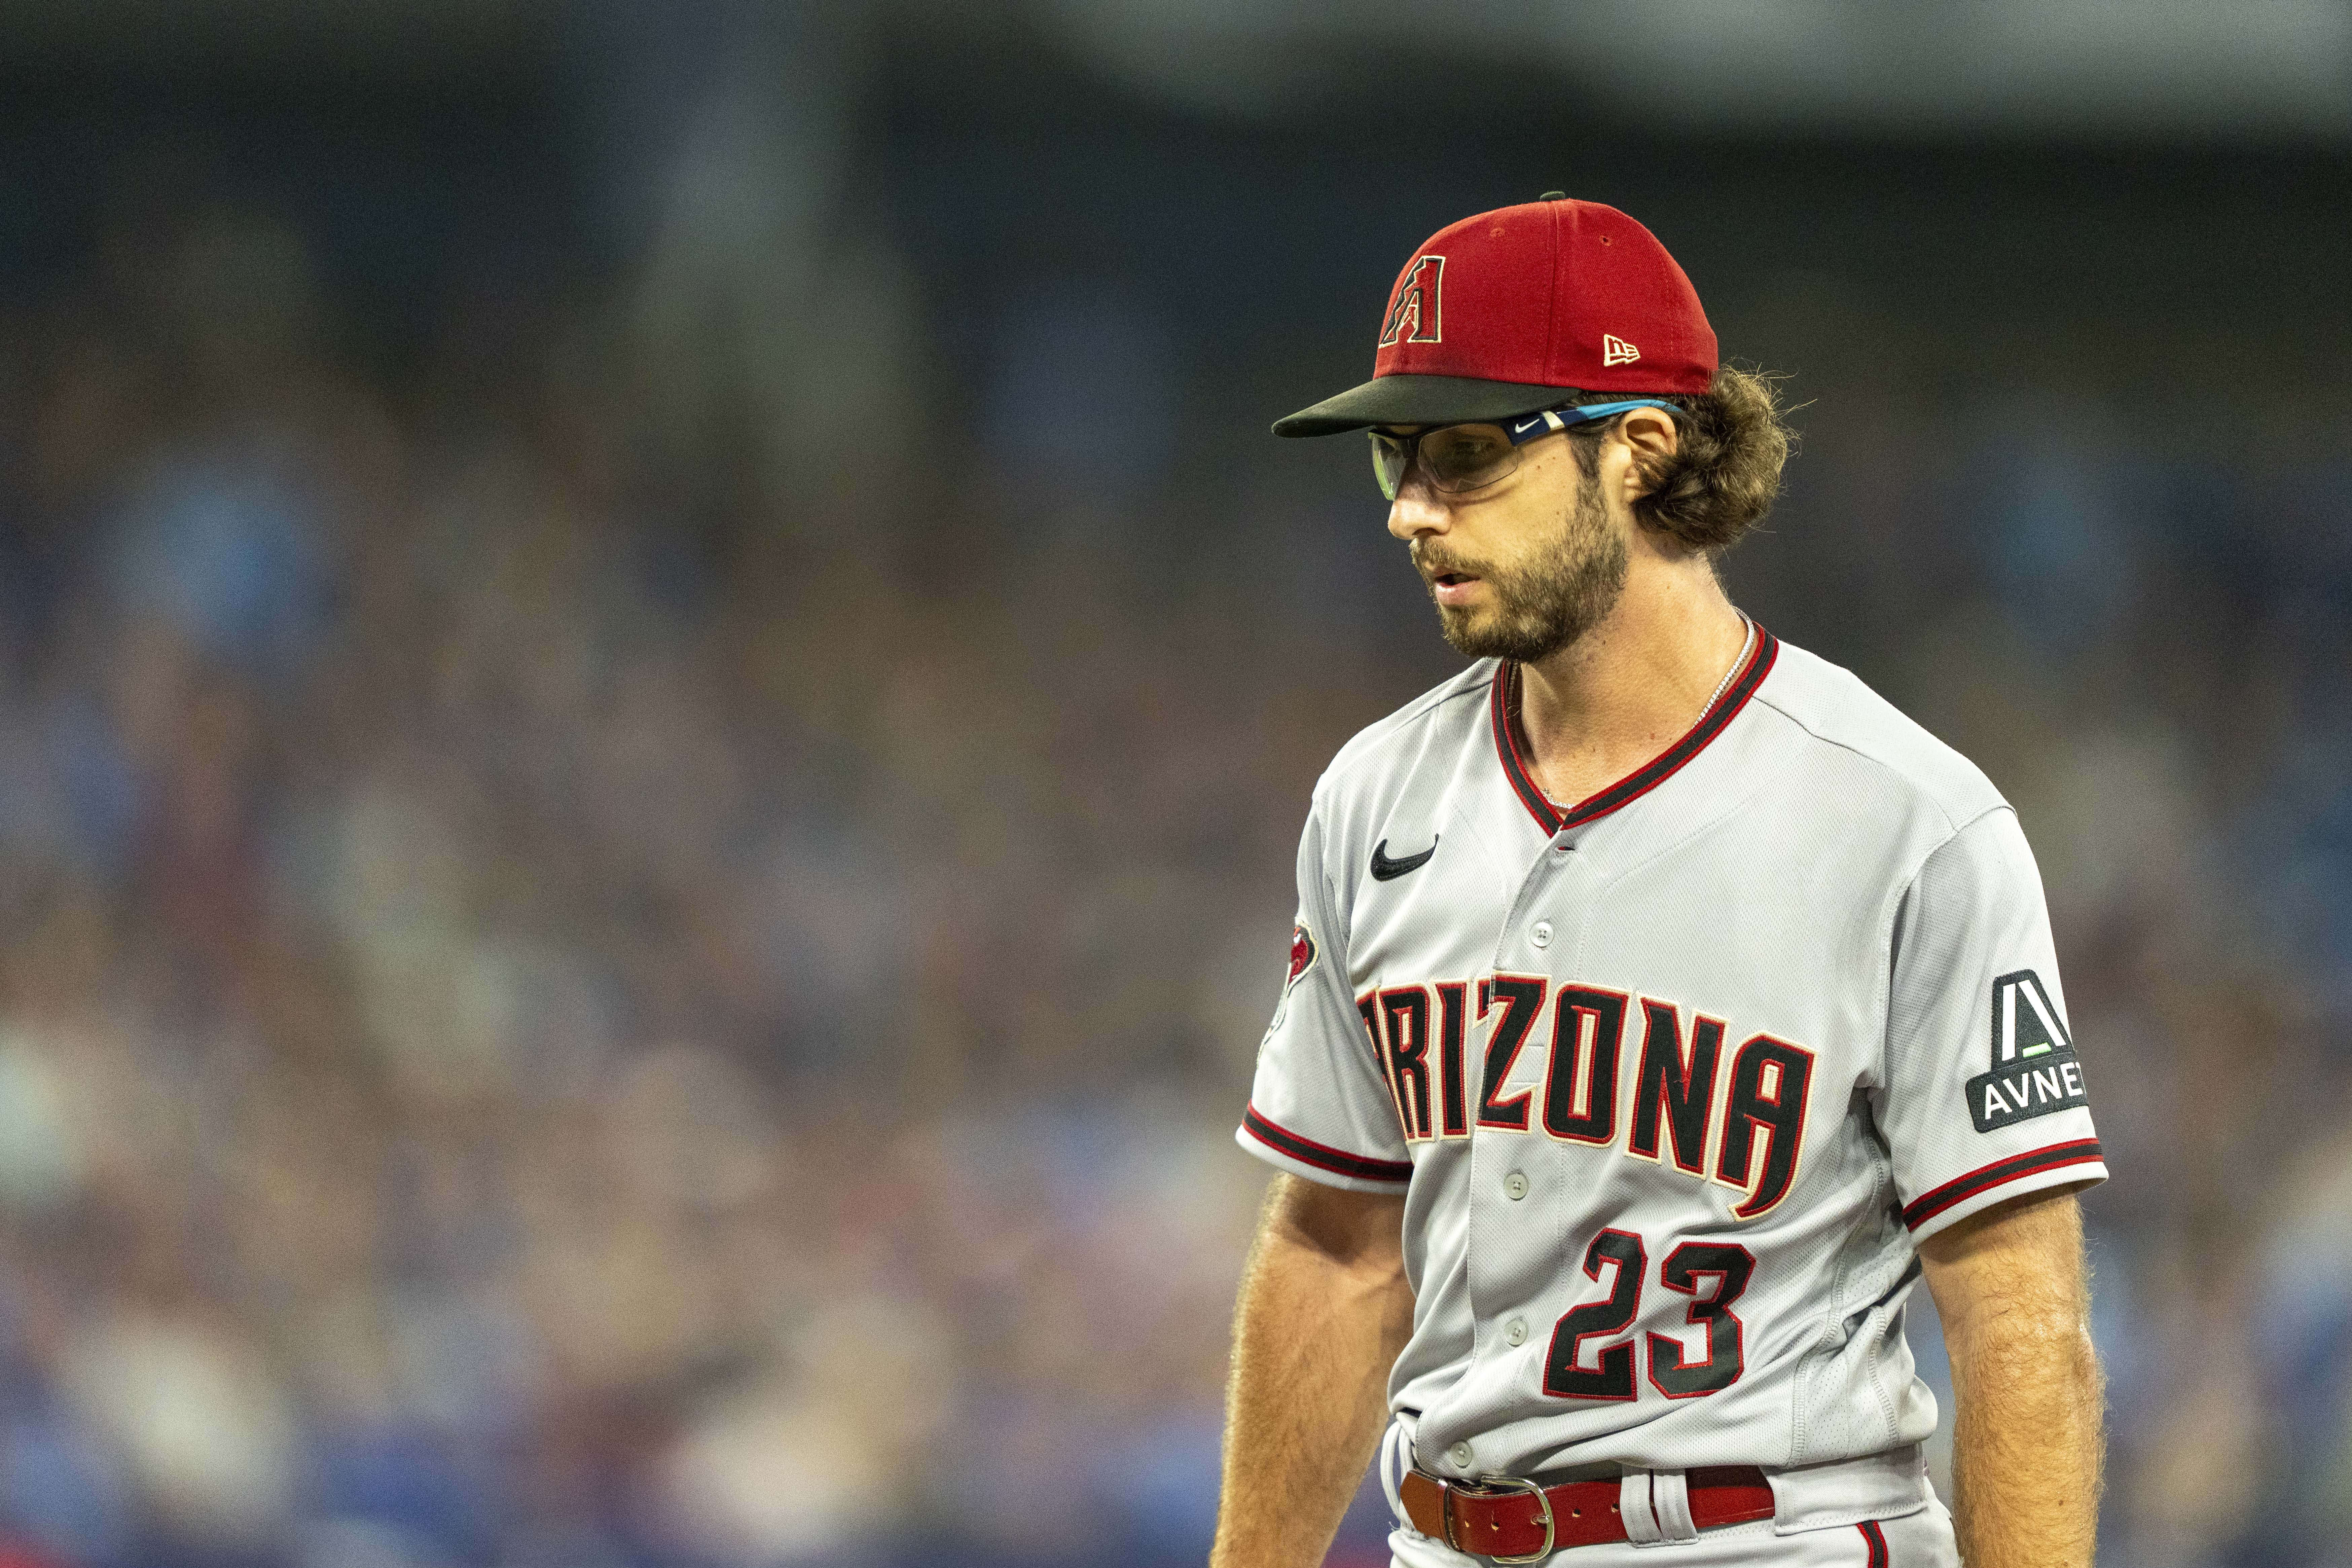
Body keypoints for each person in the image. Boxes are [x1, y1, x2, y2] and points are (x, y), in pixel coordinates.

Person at [1213, 196, 2104, 1568]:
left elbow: (2016, 1307)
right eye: (1394, 456)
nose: (1409, 511)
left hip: (1766, 1535)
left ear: (1635, 448)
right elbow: (1336, 1250)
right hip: (1440, 1537)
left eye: (1461, 454)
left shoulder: (1904, 819)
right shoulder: (1373, 796)